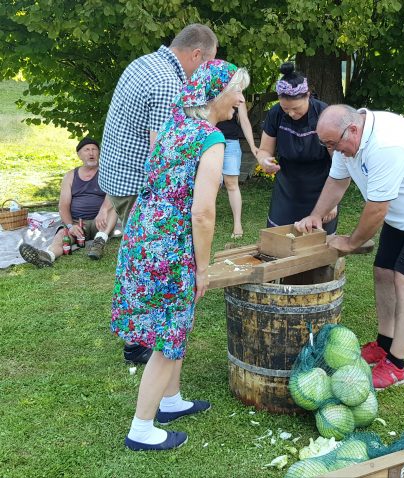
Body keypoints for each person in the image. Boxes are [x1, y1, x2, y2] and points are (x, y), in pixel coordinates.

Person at [110, 60, 250, 451]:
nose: (241, 97)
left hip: (142, 236)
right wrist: (202, 269)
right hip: (169, 245)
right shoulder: (210, 139)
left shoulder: (175, 123)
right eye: (237, 89)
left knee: (170, 326)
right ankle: (142, 428)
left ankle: (170, 402)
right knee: (168, 333)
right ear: (218, 93)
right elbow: (203, 213)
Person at [295, 105, 404, 390]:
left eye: (333, 144)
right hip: (403, 210)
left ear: (351, 130)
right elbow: (337, 181)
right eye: (327, 145)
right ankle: (384, 342)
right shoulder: (345, 141)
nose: (333, 151)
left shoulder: (386, 145)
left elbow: (376, 209)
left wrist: (351, 243)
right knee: (382, 272)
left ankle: (397, 365)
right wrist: (316, 215)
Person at [99, 23, 217, 364]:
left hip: (118, 177)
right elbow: (162, 150)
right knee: (152, 265)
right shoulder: (168, 83)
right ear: (196, 54)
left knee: (139, 262)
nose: (204, 73)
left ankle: (139, 336)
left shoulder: (144, 62)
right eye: (206, 64)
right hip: (139, 186)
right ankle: (141, 344)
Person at [255, 62, 338, 233]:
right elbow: (264, 150)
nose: (291, 114)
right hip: (287, 188)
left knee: (318, 246)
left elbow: (338, 161)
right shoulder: (275, 114)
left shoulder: (324, 114)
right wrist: (264, 161)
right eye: (286, 109)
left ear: (308, 96)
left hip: (321, 187)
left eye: (296, 109)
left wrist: (332, 201)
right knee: (279, 240)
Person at [19, 137, 117, 267]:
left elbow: (113, 194)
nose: (91, 152)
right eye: (87, 149)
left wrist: (103, 211)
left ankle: (99, 242)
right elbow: (63, 205)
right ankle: (47, 256)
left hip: (101, 221)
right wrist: (71, 226)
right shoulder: (70, 175)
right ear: (79, 155)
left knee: (114, 208)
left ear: (99, 153)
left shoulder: (107, 172)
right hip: (78, 222)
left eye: (94, 149)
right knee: (62, 235)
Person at [216, 102, 258, 238]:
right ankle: (205, 219)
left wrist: (252, 146)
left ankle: (237, 224)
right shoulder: (208, 88)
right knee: (211, 184)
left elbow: (244, 121)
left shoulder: (237, 94)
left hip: (231, 143)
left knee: (232, 184)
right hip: (210, 140)